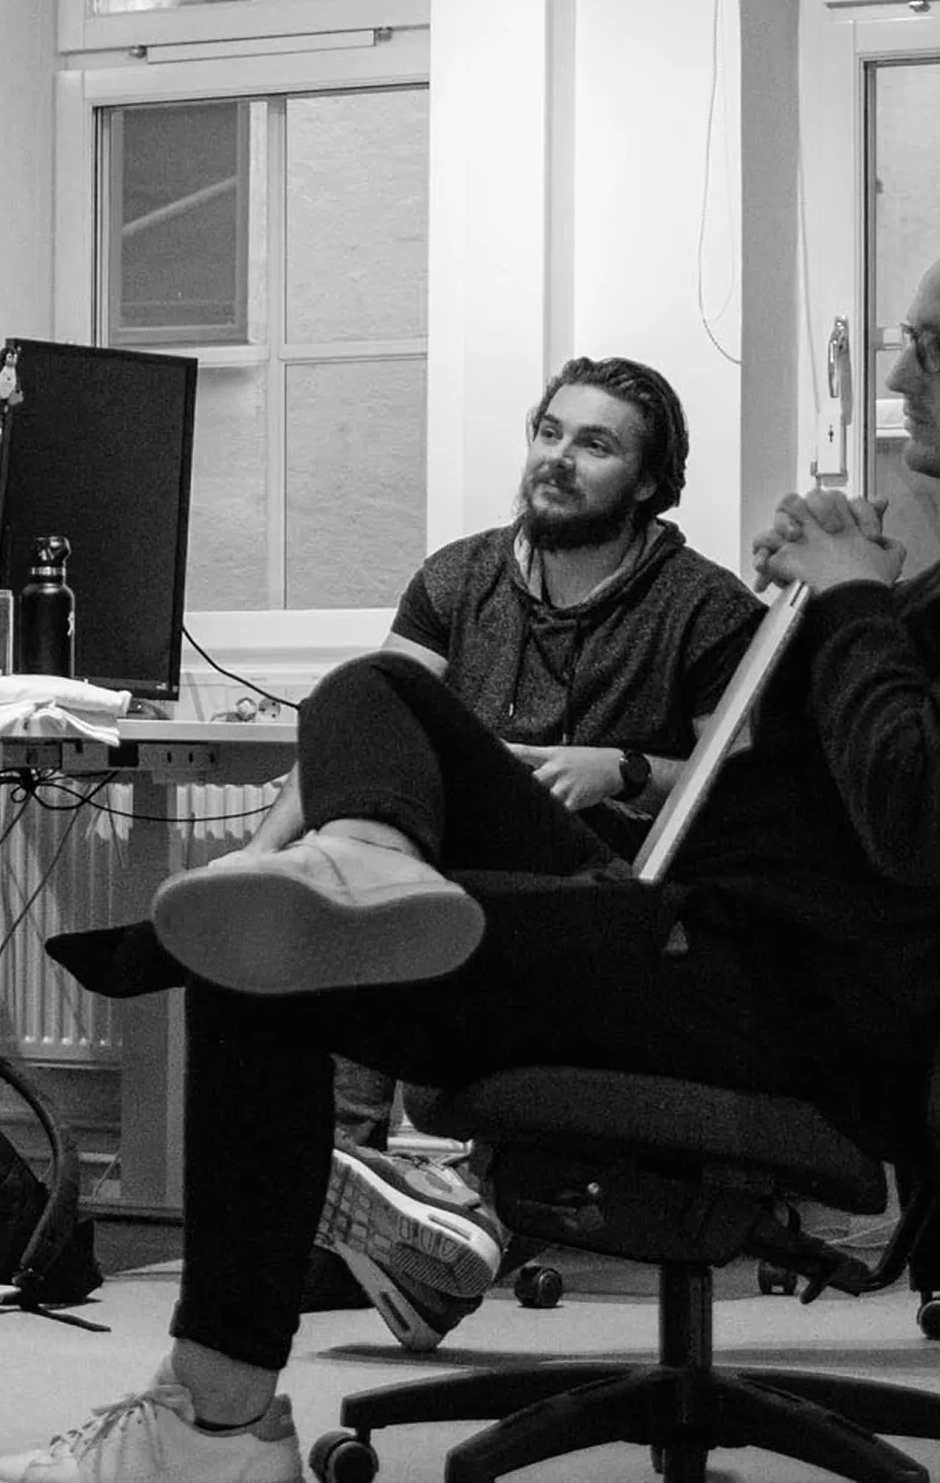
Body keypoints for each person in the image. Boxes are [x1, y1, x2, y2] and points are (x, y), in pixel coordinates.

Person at [0, 210, 940, 1483]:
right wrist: (857, 598)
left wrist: (850, 599)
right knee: (375, 693)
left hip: (777, 997)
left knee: (264, 958)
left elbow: (923, 811)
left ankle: (216, 1428)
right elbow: (861, 772)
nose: (903, 376)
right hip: (699, 926)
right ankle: (364, 856)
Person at [55, 360, 765, 1351]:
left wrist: (624, 769)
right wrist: (255, 859)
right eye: (549, 432)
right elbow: (363, 744)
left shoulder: (704, 606)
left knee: (374, 822)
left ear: (649, 481)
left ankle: (376, 1195)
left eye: (594, 444)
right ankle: (343, 1211)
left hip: (605, 891)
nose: (557, 458)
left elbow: (750, 796)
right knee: (352, 769)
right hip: (441, 876)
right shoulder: (460, 576)